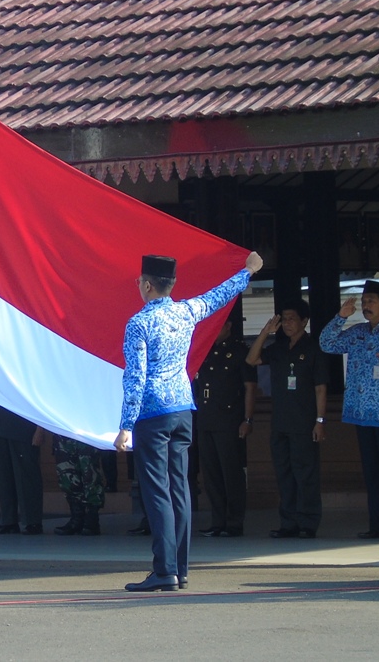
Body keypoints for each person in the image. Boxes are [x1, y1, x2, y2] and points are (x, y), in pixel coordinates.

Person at [116, 251, 263, 592]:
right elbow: (219, 296)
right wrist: (248, 272)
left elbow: (135, 378)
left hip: (152, 412)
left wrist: (125, 424)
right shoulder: (186, 311)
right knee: (180, 487)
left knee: (157, 492)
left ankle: (164, 569)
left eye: (140, 281)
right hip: (184, 407)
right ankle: (180, 569)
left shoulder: (138, 323)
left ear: (148, 284)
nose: (138, 285)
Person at [319, 281, 379, 540]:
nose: (366, 305)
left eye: (372, 301)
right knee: (373, 474)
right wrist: (341, 317)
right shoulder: (357, 333)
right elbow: (327, 344)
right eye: (364, 301)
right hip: (363, 415)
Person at [247, 300, 328, 539]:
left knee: (306, 474)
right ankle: (289, 522)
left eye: (292, 318)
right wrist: (265, 332)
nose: (287, 323)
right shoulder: (279, 347)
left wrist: (320, 420)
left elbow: (320, 388)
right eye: (284, 318)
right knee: (284, 473)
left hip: (304, 423)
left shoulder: (313, 348)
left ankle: (308, 522)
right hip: (281, 422)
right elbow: (252, 359)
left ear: (304, 321)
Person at [194, 316, 257, 538]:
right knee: (211, 474)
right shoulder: (204, 348)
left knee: (232, 473)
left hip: (230, 421)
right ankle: (217, 521)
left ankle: (234, 522)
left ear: (228, 326)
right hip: (206, 420)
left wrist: (247, 419)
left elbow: (250, 388)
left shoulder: (239, 351)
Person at [0, 402, 44, 535]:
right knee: (4, 476)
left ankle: (32, 522)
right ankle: (8, 521)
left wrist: (40, 429)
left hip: (23, 423)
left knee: (26, 475)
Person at [48, 430, 105, 536]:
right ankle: (76, 518)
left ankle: (92, 518)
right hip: (63, 432)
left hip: (86, 431)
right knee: (66, 475)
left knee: (90, 474)